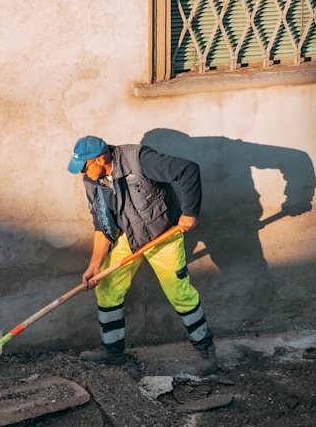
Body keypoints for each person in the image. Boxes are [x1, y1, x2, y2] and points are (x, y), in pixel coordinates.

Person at [68, 136, 216, 374]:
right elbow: (102, 226)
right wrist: (95, 265)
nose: (81, 173)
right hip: (128, 237)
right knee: (106, 288)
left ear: (99, 159)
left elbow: (188, 170)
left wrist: (189, 212)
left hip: (163, 235)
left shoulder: (139, 160)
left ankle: (206, 350)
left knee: (179, 292)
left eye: (84, 166)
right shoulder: (92, 182)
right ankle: (113, 351)